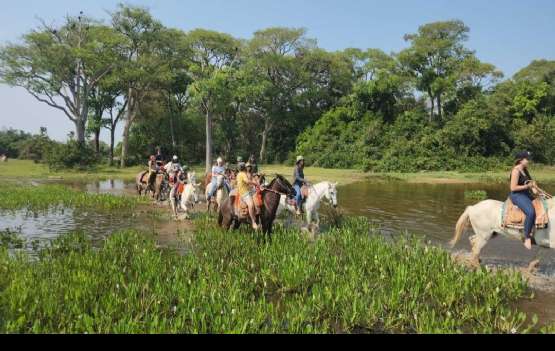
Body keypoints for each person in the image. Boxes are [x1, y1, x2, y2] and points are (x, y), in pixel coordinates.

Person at [510, 151, 536, 250]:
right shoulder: (516, 171)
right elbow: (513, 188)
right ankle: (527, 237)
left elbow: (530, 181)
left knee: (542, 205)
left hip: (526, 193)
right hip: (517, 195)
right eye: (527, 159)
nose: (529, 161)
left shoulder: (524, 169)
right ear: (521, 160)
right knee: (530, 212)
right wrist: (527, 186)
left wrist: (533, 188)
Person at [237, 162, 260, 230]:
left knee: (258, 196)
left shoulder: (240, 174)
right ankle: (253, 222)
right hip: (244, 192)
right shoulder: (243, 174)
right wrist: (255, 183)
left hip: (249, 190)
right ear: (244, 167)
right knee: (251, 205)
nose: (248, 168)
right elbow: (247, 181)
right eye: (246, 167)